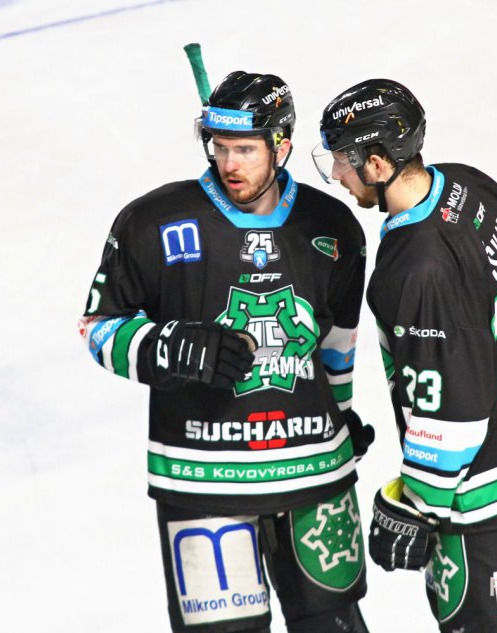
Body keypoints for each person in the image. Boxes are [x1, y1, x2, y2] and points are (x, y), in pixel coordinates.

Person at [79, 71, 374, 633]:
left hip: (313, 467)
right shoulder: (153, 221)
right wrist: (168, 346)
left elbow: (339, 342)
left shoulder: (333, 226)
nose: (229, 164)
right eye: (219, 147)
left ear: (281, 147)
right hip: (202, 476)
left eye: (245, 149)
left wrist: (342, 414)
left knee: (335, 624)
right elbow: (98, 326)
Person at [312, 79, 497, 632]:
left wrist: (416, 505)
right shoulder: (465, 184)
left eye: (341, 160)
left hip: (481, 498)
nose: (336, 175)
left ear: (377, 163)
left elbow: (453, 417)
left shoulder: (415, 269)